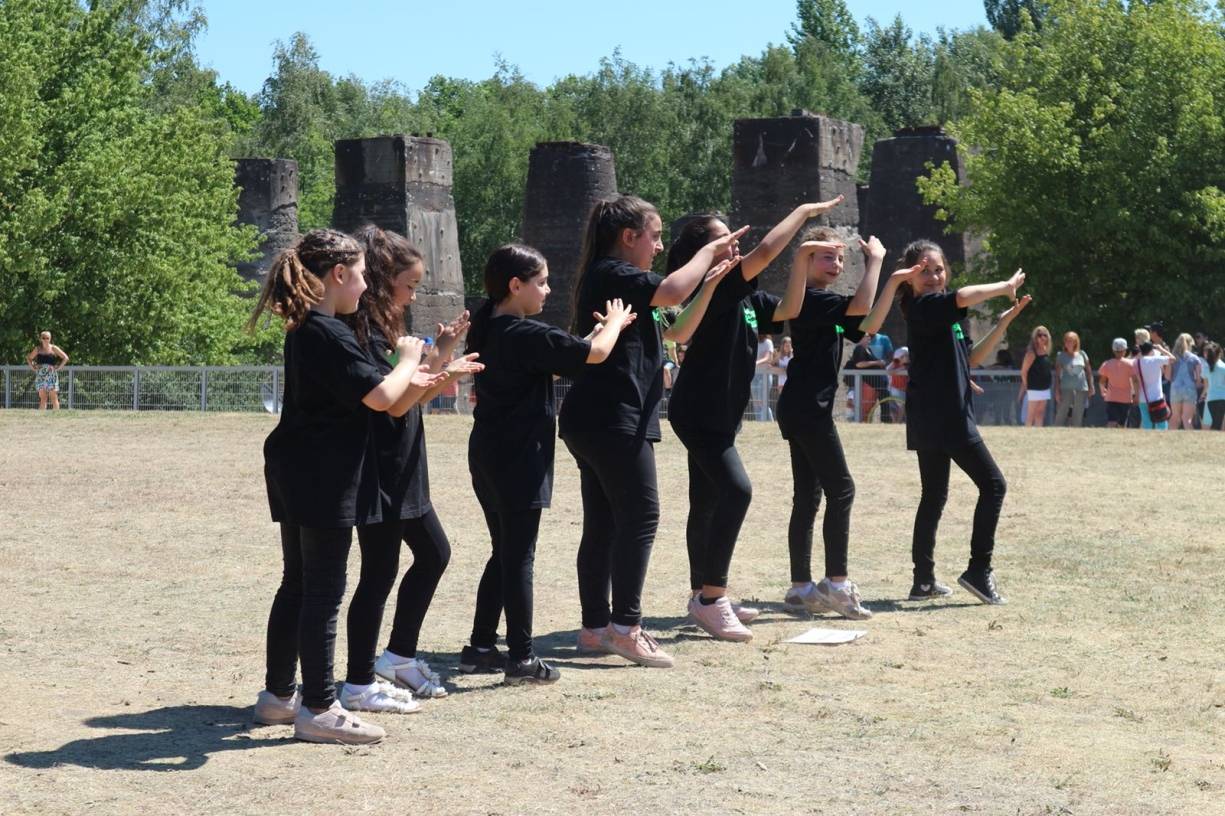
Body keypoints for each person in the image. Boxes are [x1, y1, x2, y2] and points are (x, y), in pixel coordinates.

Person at [249, 228, 441, 745]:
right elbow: (381, 398)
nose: (365, 285)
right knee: (322, 592)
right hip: (321, 474)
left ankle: (277, 697)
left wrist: (421, 372)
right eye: (359, 275)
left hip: (298, 468)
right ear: (338, 275)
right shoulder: (326, 332)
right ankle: (318, 708)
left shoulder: (310, 327)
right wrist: (408, 358)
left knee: (298, 583)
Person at [558, 195, 747, 669]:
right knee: (640, 517)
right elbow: (670, 292)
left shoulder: (621, 280)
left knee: (603, 523)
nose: (660, 245)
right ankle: (626, 628)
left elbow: (677, 330)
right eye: (654, 235)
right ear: (629, 237)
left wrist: (710, 282)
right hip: (612, 417)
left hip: (600, 417)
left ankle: (595, 628)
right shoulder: (616, 273)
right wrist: (711, 250)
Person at [660, 198, 844, 641]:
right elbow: (763, 251)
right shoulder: (715, 285)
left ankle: (700, 595)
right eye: (723, 239)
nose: (734, 245)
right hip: (699, 411)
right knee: (737, 492)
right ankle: (711, 599)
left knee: (705, 502)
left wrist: (801, 261)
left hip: (721, 414)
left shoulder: (743, 297)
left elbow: (789, 310)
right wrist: (802, 214)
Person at [464, 244, 637, 683]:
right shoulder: (527, 333)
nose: (548, 289)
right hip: (520, 457)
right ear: (515, 285)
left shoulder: (489, 328)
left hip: (487, 452)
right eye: (540, 282)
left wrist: (594, 338)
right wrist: (613, 325)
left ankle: (481, 646)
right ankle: (521, 658)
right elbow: (592, 356)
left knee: (504, 552)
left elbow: (564, 359)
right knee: (519, 555)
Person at [339, 226, 482, 714]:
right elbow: (392, 405)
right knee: (378, 574)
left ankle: (397, 657)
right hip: (378, 466)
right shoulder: (364, 329)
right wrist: (440, 368)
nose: (414, 295)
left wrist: (443, 359)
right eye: (410, 285)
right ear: (383, 280)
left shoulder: (383, 325)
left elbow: (410, 393)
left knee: (433, 554)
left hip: (403, 462)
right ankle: (359, 682)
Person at [859, 242, 1030, 605]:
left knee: (934, 496)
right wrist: (1003, 287)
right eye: (925, 271)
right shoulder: (925, 306)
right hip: (946, 415)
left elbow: (970, 358)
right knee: (994, 485)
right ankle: (979, 570)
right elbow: (964, 296)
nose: (935, 276)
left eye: (938, 269)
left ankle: (923, 582)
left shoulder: (943, 317)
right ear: (910, 279)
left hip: (930, 415)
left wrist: (1001, 324)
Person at [775, 228, 886, 620]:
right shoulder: (811, 298)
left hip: (801, 406)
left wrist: (893, 281)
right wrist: (875, 261)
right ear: (806, 260)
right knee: (842, 490)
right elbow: (859, 307)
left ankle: (800, 588)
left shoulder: (818, 301)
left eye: (840, 259)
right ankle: (836, 585)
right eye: (827, 257)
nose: (836, 264)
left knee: (808, 497)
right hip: (809, 408)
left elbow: (864, 321)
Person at [1131, 327, 1173, 430]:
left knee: (1146, 421)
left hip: (1142, 395)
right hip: (1156, 395)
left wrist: (1135, 393)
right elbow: (1168, 364)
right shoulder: (1156, 356)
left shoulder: (1136, 360)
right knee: (1161, 420)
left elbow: (1134, 377)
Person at [1054, 331, 1093, 427]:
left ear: (1076, 342)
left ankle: (1076, 433)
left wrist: (1091, 386)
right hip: (1066, 388)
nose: (1068, 342)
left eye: (1071, 340)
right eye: (1066, 340)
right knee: (1062, 412)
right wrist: (1057, 391)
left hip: (1081, 388)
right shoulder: (1061, 355)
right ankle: (1055, 431)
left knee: (1078, 413)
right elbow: (1057, 375)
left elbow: (1089, 371)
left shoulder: (1082, 354)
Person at [1018, 326, 1053, 426]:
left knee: (1040, 413)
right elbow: (1023, 372)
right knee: (1030, 415)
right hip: (1033, 388)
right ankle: (1028, 435)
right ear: (1035, 338)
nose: (1042, 337)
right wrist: (1027, 386)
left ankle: (1038, 435)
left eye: (1044, 335)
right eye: (1039, 335)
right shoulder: (1031, 353)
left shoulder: (1046, 351)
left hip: (1045, 388)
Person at [1097, 338, 1136, 429]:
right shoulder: (1130, 364)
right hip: (1126, 398)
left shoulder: (1107, 364)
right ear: (1125, 350)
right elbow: (1135, 380)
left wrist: (1103, 391)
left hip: (1111, 397)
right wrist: (1136, 394)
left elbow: (1102, 381)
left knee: (1111, 420)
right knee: (1122, 422)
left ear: (1113, 350)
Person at [1169, 332, 1204, 431]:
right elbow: (1198, 380)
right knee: (1187, 419)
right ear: (1190, 344)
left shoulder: (1172, 357)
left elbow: (1168, 376)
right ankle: (1191, 441)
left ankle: (1168, 440)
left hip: (1175, 388)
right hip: (1189, 389)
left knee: (1175, 418)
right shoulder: (1195, 358)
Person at [26, 331, 69, 410]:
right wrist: (33, 367)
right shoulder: (38, 349)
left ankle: (56, 416)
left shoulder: (53, 348)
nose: (45, 340)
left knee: (53, 396)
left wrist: (59, 367)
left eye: (47, 338)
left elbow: (65, 358)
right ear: (40, 339)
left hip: (51, 375)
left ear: (50, 339)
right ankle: (42, 417)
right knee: (43, 397)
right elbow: (29, 358)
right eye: (43, 338)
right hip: (41, 375)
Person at [848, 334, 886, 421]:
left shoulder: (868, 349)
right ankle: (885, 420)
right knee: (867, 405)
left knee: (884, 399)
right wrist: (876, 363)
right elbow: (859, 364)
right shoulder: (859, 349)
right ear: (861, 338)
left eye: (870, 338)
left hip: (875, 382)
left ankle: (885, 420)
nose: (869, 339)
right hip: (868, 383)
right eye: (866, 337)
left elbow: (874, 361)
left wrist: (880, 362)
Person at [1203, 342, 1225, 430]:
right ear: (1219, 353)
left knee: (1211, 425)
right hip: (1223, 398)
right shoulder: (1224, 367)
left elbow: (1206, 386)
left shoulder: (1206, 368)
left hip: (1210, 399)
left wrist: (1202, 396)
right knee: (1221, 425)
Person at [886, 346, 909, 423]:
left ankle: (899, 422)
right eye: (905, 355)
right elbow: (888, 371)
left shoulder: (908, 365)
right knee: (897, 407)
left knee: (902, 407)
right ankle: (896, 423)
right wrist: (899, 368)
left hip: (904, 390)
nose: (908, 357)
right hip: (895, 389)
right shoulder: (895, 364)